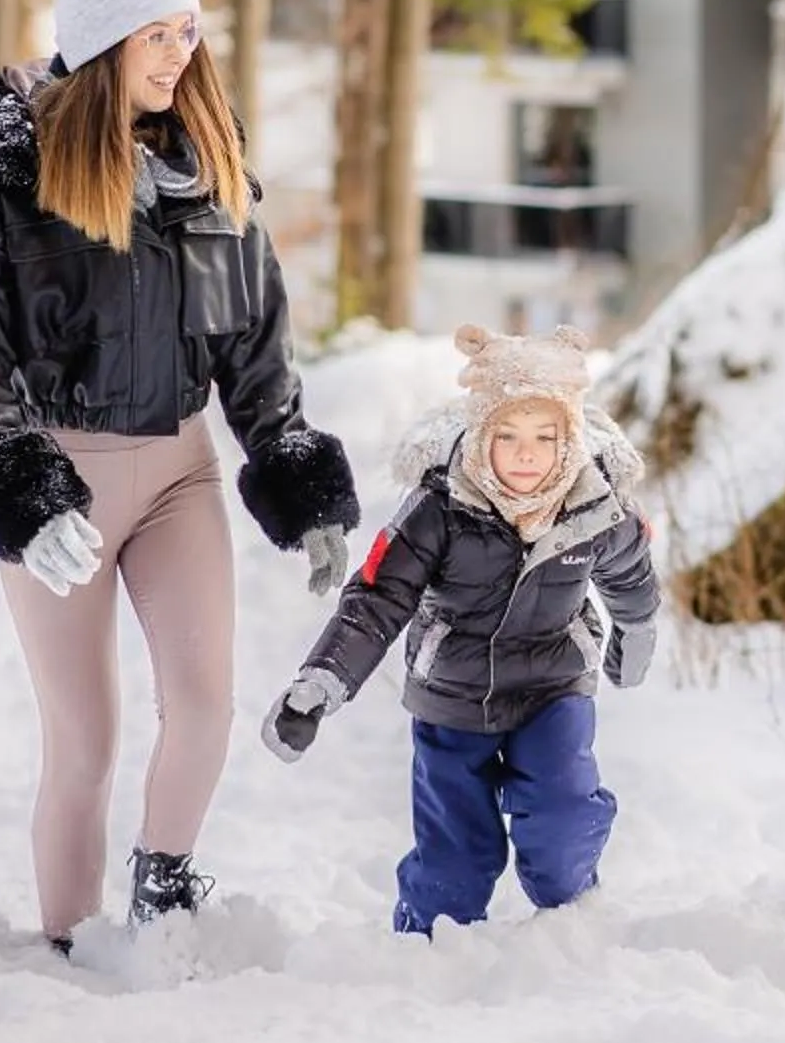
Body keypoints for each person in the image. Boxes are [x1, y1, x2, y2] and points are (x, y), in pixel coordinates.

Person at [0, 0, 361, 954]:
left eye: (188, 31)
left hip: (179, 475)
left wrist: (296, 479)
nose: (180, 53)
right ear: (104, 39)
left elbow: (256, 349)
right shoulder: (7, 191)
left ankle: (163, 886)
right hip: (62, 483)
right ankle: (70, 944)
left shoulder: (212, 180)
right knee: (85, 739)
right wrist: (22, 488)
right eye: (156, 33)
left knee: (204, 702)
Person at [261, 324, 661, 935]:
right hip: (453, 696)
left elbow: (631, 576)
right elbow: (377, 598)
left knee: (563, 821)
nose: (527, 453)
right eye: (508, 435)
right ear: (480, 433)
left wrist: (636, 636)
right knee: (454, 865)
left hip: (553, 686)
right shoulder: (440, 507)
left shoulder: (595, 505)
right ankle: (426, 947)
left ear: (570, 437)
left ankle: (576, 922)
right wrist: (321, 682)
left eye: (545, 436)